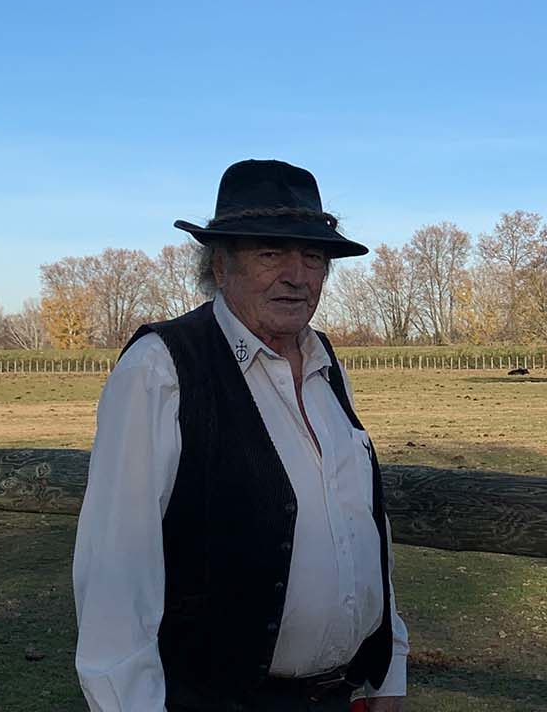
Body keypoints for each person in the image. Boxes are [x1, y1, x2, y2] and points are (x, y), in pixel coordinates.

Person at [74, 160, 407, 711]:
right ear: (220, 266)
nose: (296, 275)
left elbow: (362, 528)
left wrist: (388, 669)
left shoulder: (328, 366)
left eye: (313, 257)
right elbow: (116, 571)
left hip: (345, 696)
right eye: (270, 254)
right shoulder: (162, 368)